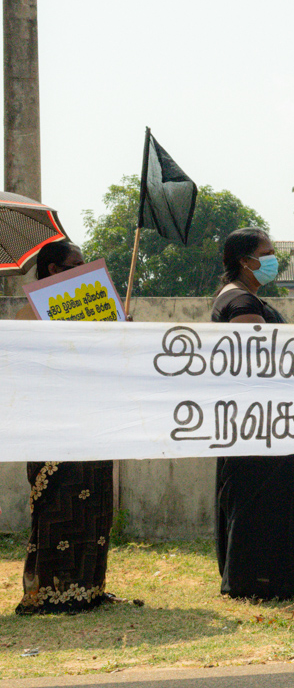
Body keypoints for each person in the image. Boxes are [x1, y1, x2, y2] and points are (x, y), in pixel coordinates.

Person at [212, 228, 294, 600]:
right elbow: (257, 359)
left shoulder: (243, 298)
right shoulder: (241, 303)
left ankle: (267, 577)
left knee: (268, 498)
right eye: (266, 254)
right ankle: (259, 580)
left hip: (265, 417)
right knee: (262, 501)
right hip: (259, 420)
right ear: (245, 261)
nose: (273, 261)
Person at [16, 241, 118, 615]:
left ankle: (89, 587)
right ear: (54, 271)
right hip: (53, 427)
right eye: (77, 264)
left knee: (95, 506)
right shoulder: (29, 316)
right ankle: (50, 591)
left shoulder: (93, 309)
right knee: (59, 505)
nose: (85, 268)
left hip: (94, 421)